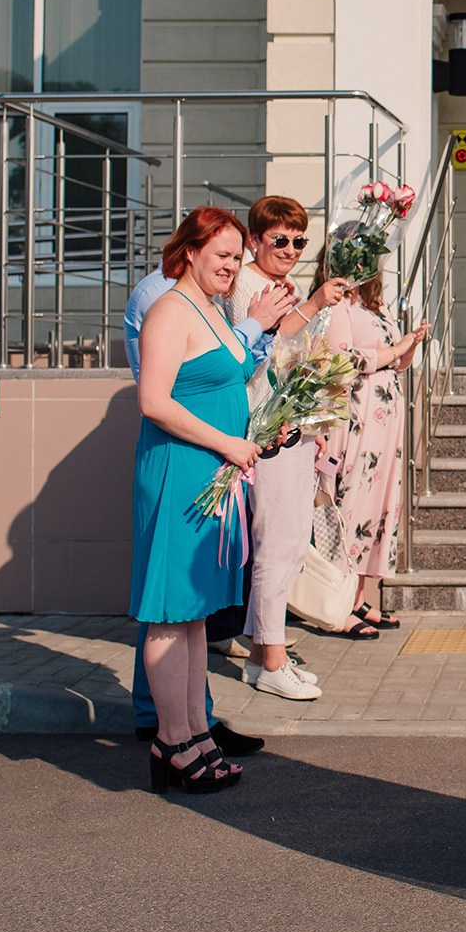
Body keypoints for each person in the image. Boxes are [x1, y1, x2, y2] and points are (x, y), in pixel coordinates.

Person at [121, 226, 295, 758]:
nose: (231, 266)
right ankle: (172, 743)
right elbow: (153, 401)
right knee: (172, 615)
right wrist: (228, 442)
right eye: (221, 254)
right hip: (181, 472)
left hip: (216, 473)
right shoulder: (168, 310)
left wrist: (263, 432)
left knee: (195, 616)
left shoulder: (212, 311)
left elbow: (225, 385)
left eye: (237, 257)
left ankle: (197, 732)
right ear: (190, 251)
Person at [226, 197, 350, 701]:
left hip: (291, 424)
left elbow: (291, 359)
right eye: (281, 239)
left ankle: (261, 654)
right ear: (255, 240)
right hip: (266, 430)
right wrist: (315, 303)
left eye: (300, 240)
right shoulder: (247, 285)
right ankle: (273, 659)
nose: (292, 249)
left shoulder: (282, 286)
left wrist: (315, 416)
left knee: (292, 545)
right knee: (278, 547)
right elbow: (264, 343)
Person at [318, 232, 429, 635]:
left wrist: (411, 345)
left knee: (381, 507)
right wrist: (394, 349)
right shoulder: (339, 304)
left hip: (387, 416)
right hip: (357, 416)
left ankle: (362, 598)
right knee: (353, 502)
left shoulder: (376, 304)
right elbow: (340, 360)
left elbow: (397, 363)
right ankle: (338, 603)